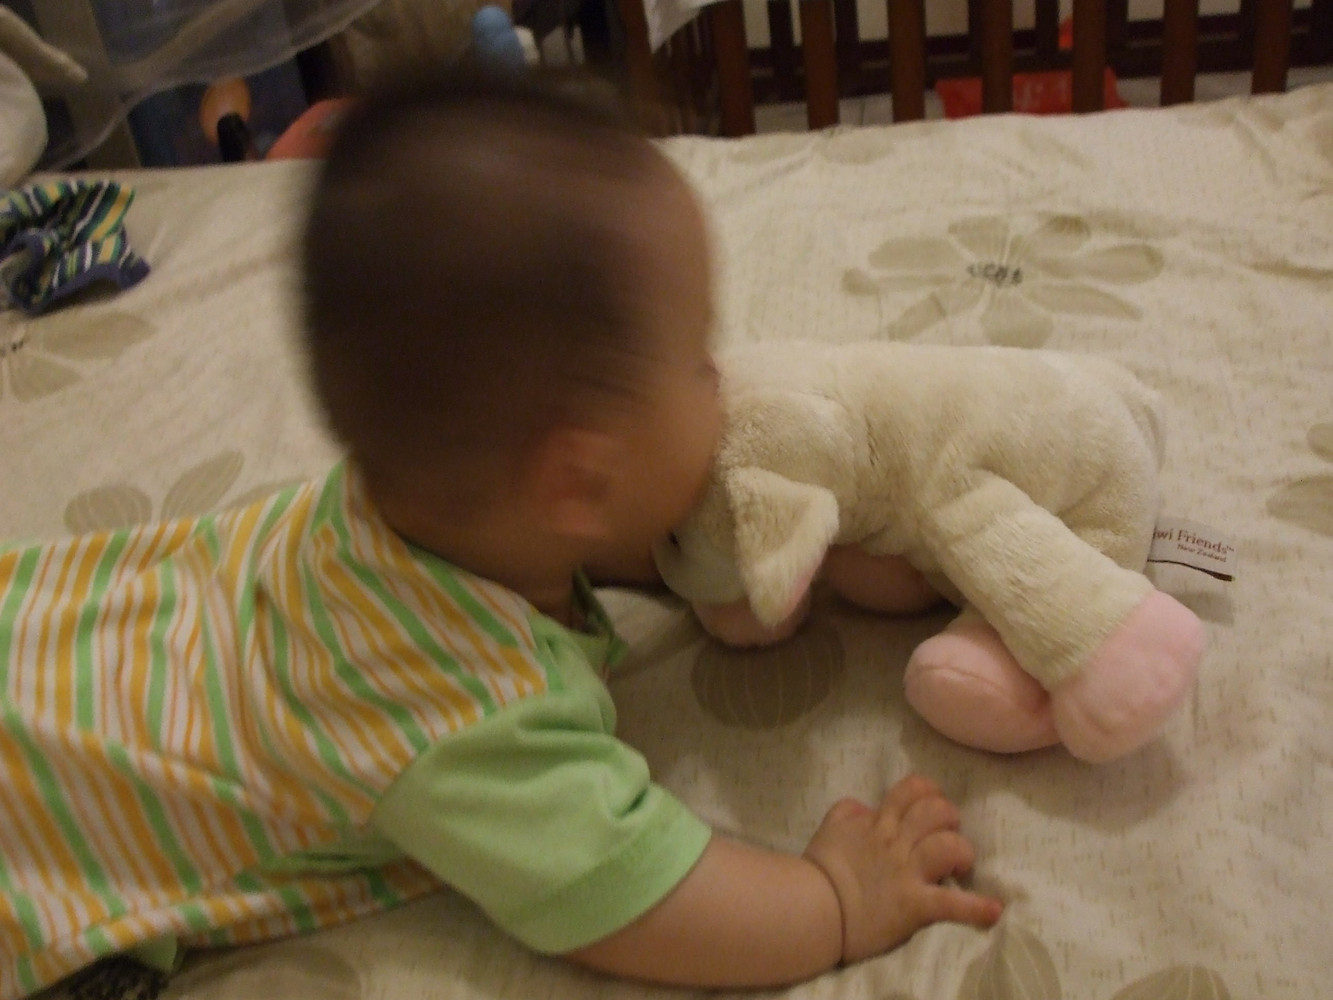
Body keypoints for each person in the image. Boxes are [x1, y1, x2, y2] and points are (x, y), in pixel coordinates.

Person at [0, 67, 1001, 1000]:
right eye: (698, 357)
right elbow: (632, 893)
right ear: (576, 480)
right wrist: (835, 900)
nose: (723, 377)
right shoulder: (460, 712)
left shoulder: (404, 504)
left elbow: (603, 532)